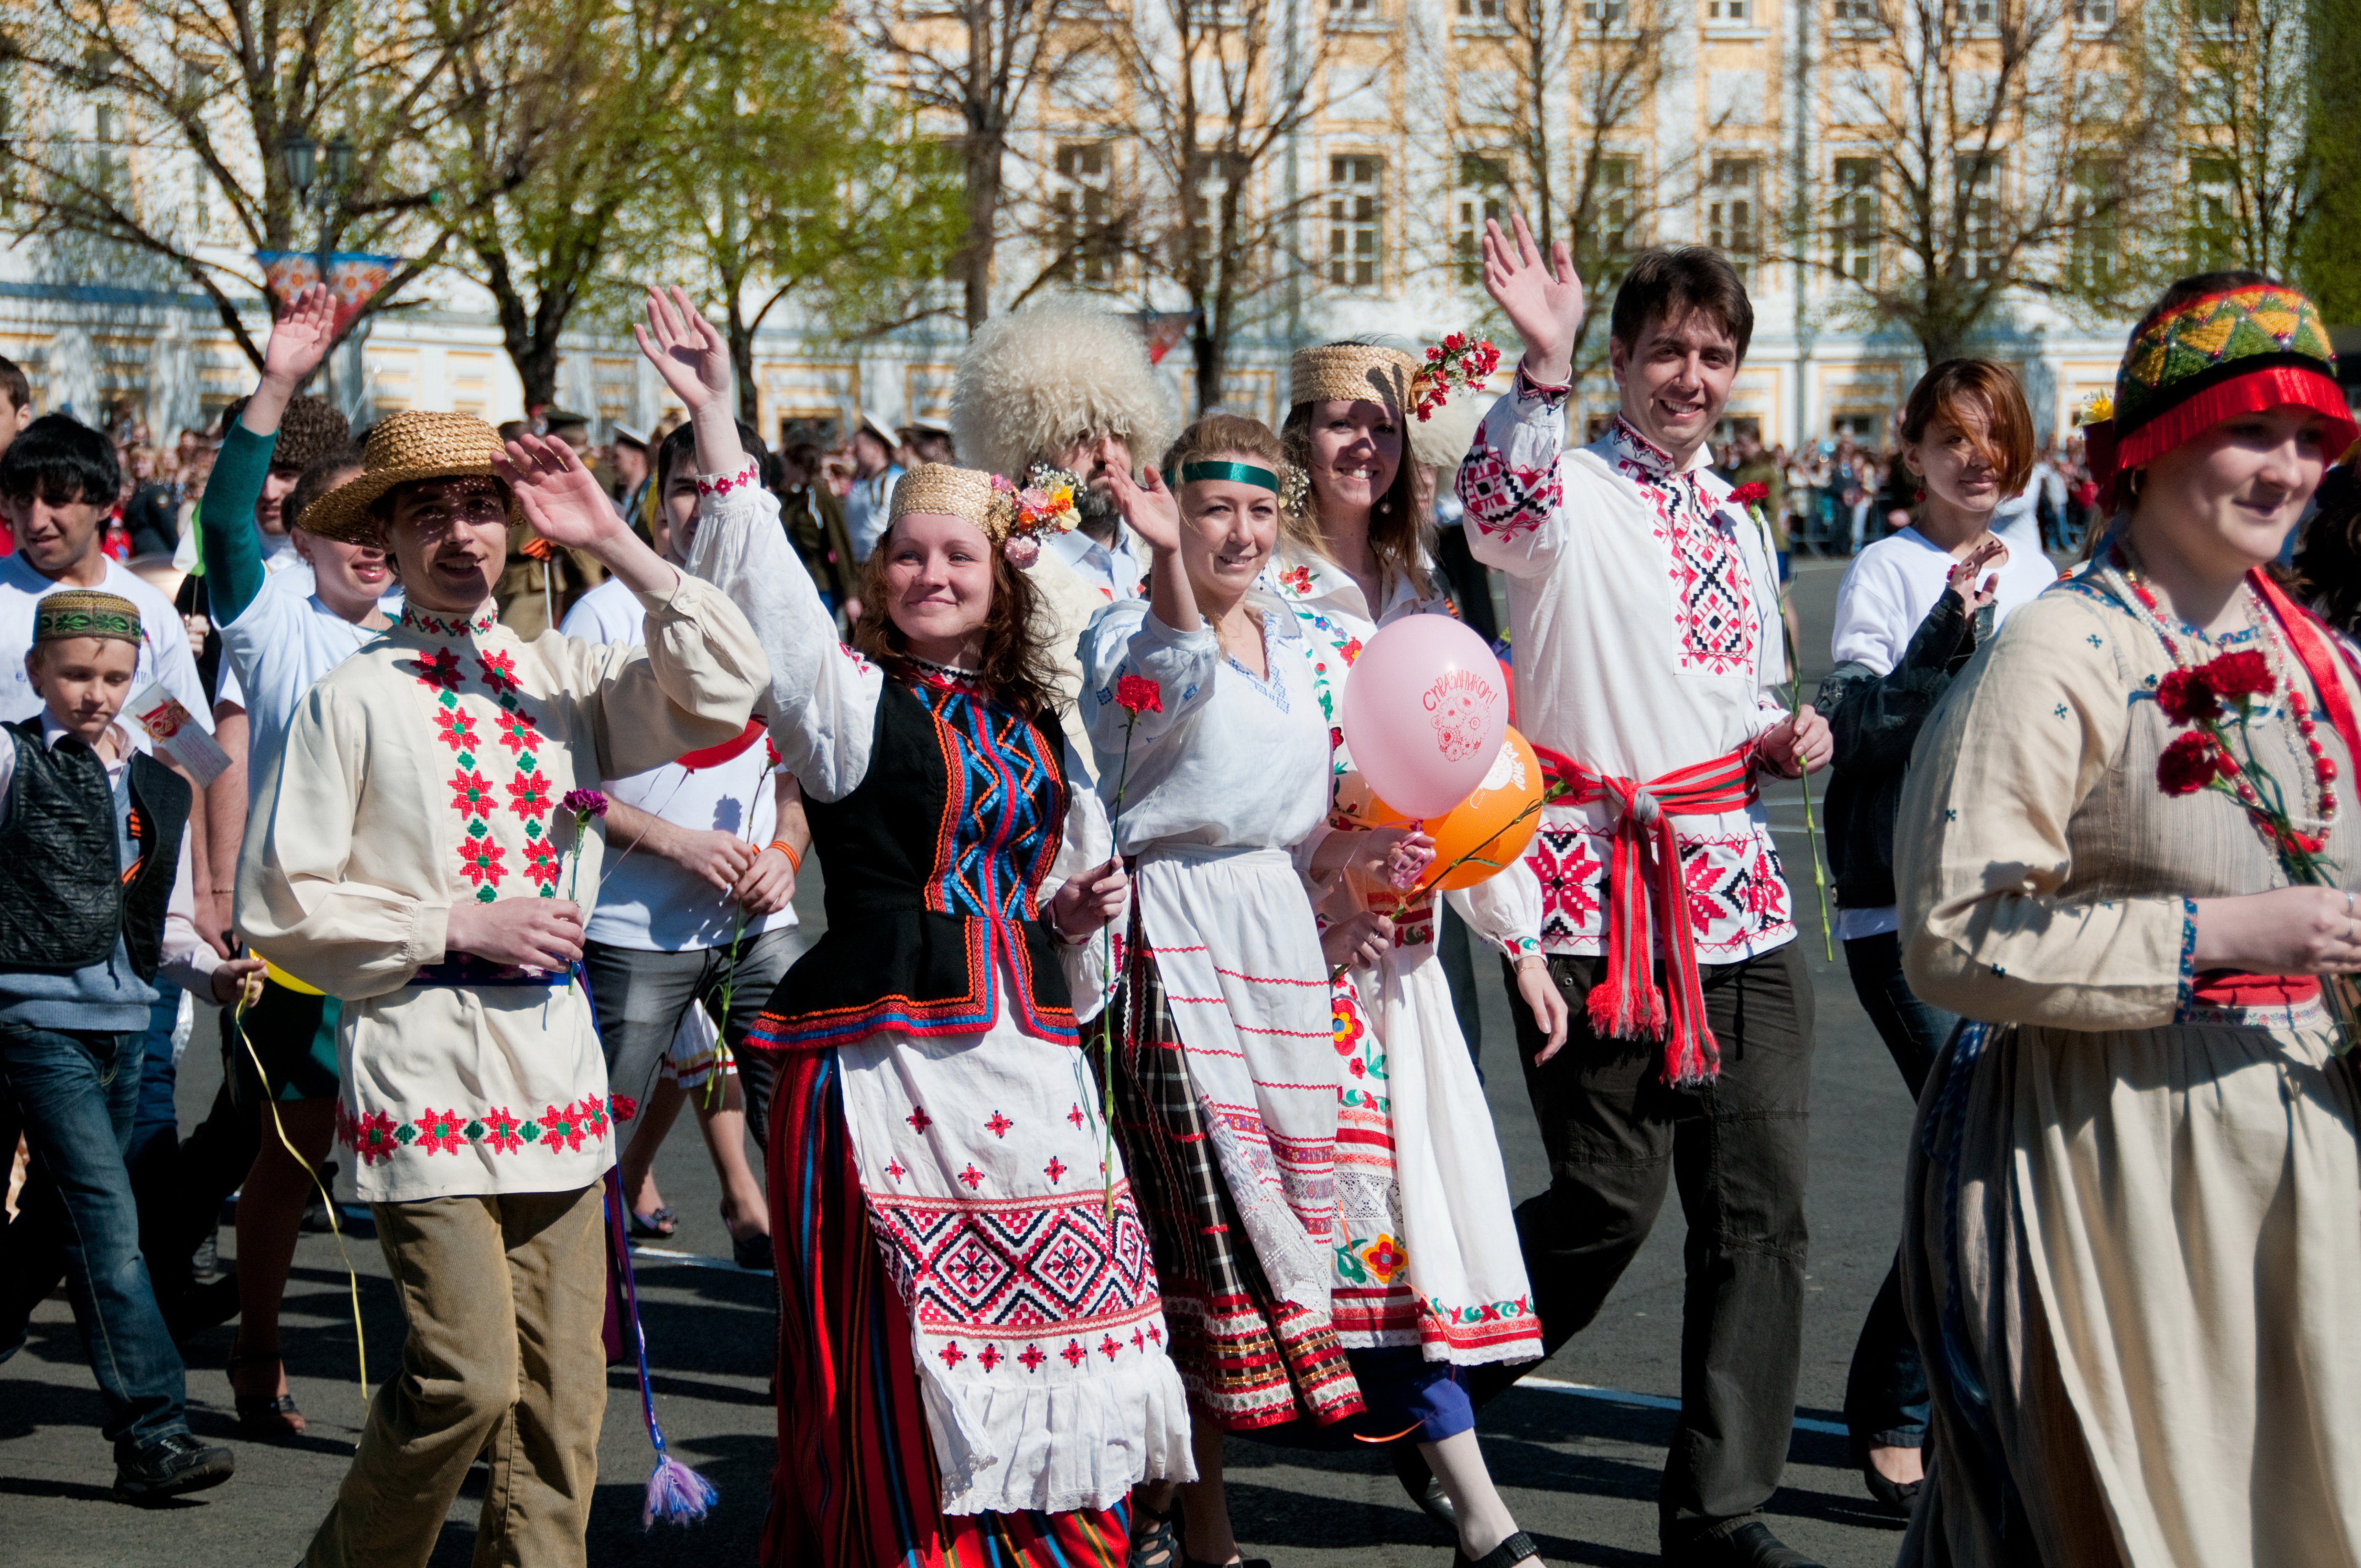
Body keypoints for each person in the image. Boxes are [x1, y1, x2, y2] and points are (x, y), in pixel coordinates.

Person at [634, 285, 1192, 1567]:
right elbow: (770, 598)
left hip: (1031, 1058)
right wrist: (719, 421)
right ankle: (906, 1543)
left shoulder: (1040, 721)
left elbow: (1064, 879)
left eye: (958, 556)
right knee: (903, 1334)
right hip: (884, 1060)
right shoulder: (848, 702)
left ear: (1001, 579)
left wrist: (1067, 907)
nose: (931, 574)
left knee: (1061, 1320)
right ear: (880, 574)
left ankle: (1044, 1538)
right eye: (907, 554)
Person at [237, 398, 766, 1567]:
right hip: (421, 1064)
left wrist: (617, 541)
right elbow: (280, 900)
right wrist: (450, 921)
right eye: (431, 513)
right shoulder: (355, 692)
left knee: (563, 1406)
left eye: (482, 507)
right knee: (465, 1379)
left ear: (517, 527)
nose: (462, 535)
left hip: (557, 1076)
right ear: (388, 533)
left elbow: (727, 687)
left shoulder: (561, 675)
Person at [1894, 272, 2361, 1567]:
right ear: (2149, 444)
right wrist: (2215, 937)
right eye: (2252, 430)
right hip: (2111, 1159)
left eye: (2311, 438)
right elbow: (1954, 930)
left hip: (2300, 1150)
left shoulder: (2318, 661)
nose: (2286, 470)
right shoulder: (2058, 653)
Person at [1456, 227, 1832, 1568]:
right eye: (1664, 349)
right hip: (1595, 896)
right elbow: (1497, 515)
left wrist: (1787, 735)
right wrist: (1539, 369)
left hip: (1738, 891)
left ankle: (1719, 1506)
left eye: (1713, 353)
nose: (1690, 374)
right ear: (1619, 358)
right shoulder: (1563, 482)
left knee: (1762, 1211)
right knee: (1607, 1200)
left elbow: (1729, 694)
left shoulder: (1736, 517)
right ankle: (1437, 1387)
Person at [1262, 336, 1562, 1568]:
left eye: (1378, 426)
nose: (1360, 445)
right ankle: (1190, 1499)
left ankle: (1476, 1506)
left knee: (1409, 1237)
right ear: (1299, 443)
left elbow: (1470, 777)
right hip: (1293, 961)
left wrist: (1522, 938)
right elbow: (1250, 784)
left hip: (1399, 977)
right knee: (1261, 1240)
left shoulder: (1423, 594)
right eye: (1335, 423)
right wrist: (1337, 863)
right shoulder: (1266, 594)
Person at [1078, 413, 1369, 1568]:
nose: (1238, 531)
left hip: (1276, 951)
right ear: (1172, 509)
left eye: (1258, 508)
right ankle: (1202, 1528)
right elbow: (1164, 684)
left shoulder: (1296, 638)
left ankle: (1155, 1496)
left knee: (1248, 1247)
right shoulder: (1128, 627)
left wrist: (1357, 866)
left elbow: (1296, 807)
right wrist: (1159, 567)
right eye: (1213, 508)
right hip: (1173, 954)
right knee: (1200, 1248)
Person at [1811, 358, 2059, 1515]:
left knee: (1991, 1156)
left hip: (2023, 904)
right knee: (1970, 1153)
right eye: (1950, 437)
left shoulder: (2048, 568)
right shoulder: (1889, 567)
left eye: (1995, 436)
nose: (1976, 458)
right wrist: (1949, 624)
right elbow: (1854, 726)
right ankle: (1901, 1411)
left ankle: (1900, 1394)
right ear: (1907, 453)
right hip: (1906, 907)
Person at [180, 284, 398, 1436]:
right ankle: (257, 1352)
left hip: (416, 940)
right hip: (299, 941)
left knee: (421, 1164)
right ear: (299, 536)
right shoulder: (269, 617)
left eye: (385, 521)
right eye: (344, 522)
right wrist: (277, 381)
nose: (369, 542)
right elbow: (223, 517)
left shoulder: (430, 631)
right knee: (290, 1154)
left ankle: (443, 1380)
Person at [0, 590, 262, 1500]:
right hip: (34, 1019)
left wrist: (213, 974)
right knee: (112, 1222)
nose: (94, 692)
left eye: (114, 675)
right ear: (36, 672)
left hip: (124, 1018)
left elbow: (166, 922)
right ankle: (152, 1431)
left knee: (59, 1221)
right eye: (74, 673)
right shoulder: (12, 755)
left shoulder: (155, 774)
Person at [563, 412, 809, 1271]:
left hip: (759, 932)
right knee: (591, 1137)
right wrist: (674, 843)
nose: (702, 508)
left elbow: (803, 763)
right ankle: (582, 1328)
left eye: (720, 488)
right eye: (683, 491)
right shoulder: (601, 614)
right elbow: (567, 784)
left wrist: (784, 852)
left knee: (810, 1130)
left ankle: (818, 1343)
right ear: (658, 504)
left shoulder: (790, 608)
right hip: (632, 930)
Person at [0, 413, 222, 1347]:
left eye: (57, 497)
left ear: (105, 503)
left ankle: (145, 1332)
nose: (36, 516)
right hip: (17, 938)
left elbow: (188, 758)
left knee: (124, 1156)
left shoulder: (146, 612)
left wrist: (205, 898)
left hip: (128, 938)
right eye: (18, 498)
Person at [950, 300, 1179, 607]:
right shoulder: (1005, 578)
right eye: (1081, 436)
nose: (1108, 456)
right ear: (1031, 461)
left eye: (1122, 435)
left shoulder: (1168, 550)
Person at [843, 413, 905, 562]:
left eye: (858, 447)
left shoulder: (897, 481)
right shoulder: (860, 482)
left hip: (883, 563)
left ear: (877, 449)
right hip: (857, 565)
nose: (853, 452)